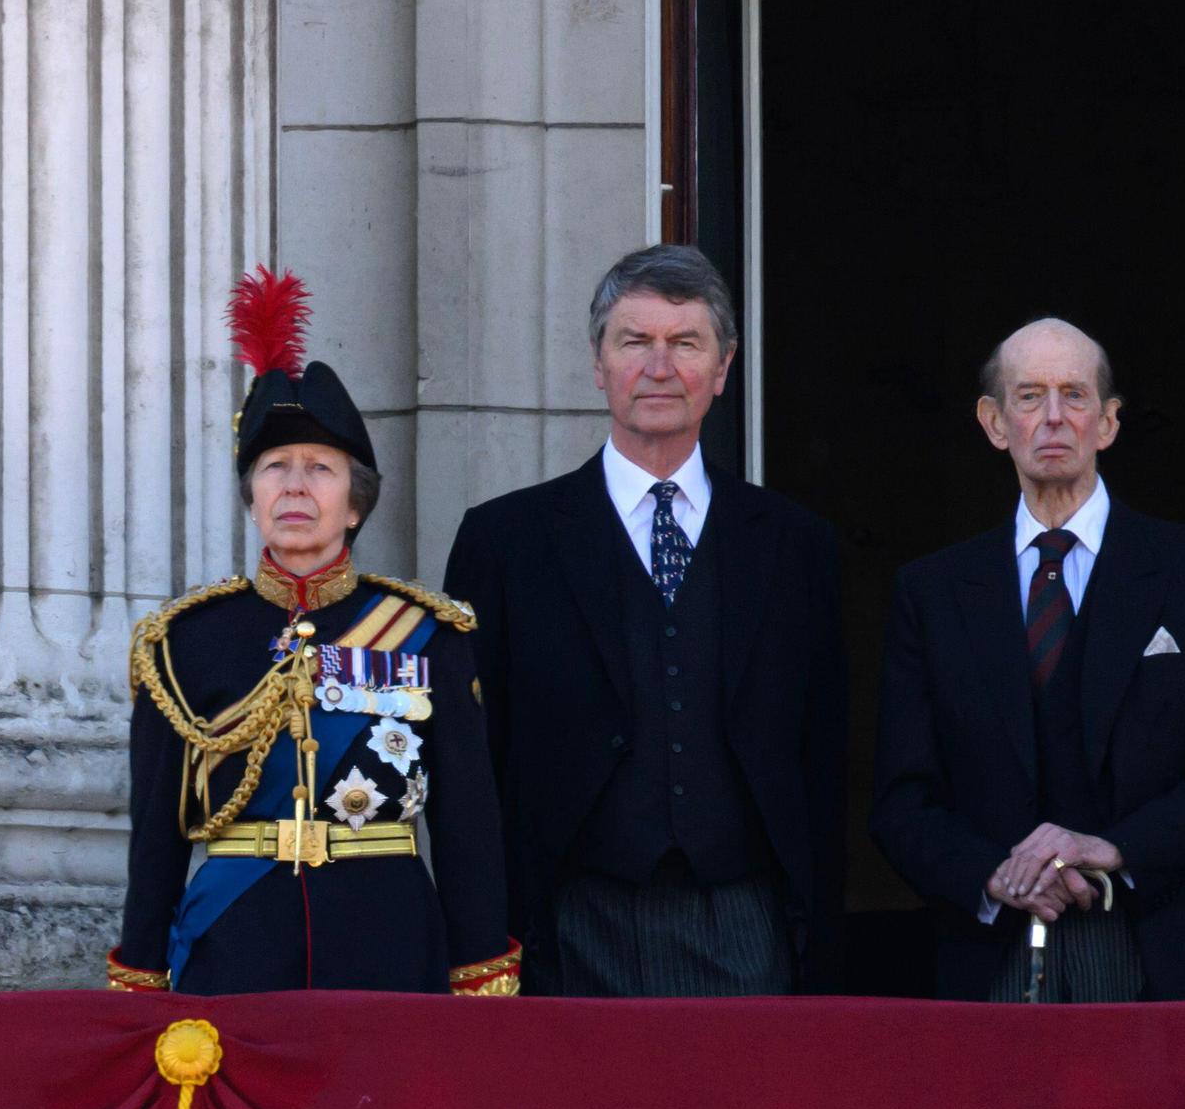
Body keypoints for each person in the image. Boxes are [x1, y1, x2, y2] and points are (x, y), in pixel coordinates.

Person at [438, 246, 850, 994]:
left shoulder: (796, 546)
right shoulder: (506, 541)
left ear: (722, 369)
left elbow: (822, 758)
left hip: (747, 925)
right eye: (635, 341)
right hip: (565, 924)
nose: (659, 366)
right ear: (599, 364)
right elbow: (471, 764)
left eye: (685, 342)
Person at [114, 271, 517, 995]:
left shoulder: (431, 634)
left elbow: (467, 830)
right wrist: (140, 973)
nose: (295, 487)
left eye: (320, 469)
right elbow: (155, 836)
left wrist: (480, 972)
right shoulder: (182, 642)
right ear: (252, 497)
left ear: (355, 504)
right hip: (234, 945)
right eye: (275, 468)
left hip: (387, 946)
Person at [872, 318, 1185, 1002]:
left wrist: (1111, 850)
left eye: (1075, 395)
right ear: (995, 422)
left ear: (1109, 422)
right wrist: (995, 876)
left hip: (1150, 954)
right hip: (988, 961)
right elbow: (901, 800)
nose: (1054, 417)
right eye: (1029, 396)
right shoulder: (932, 592)